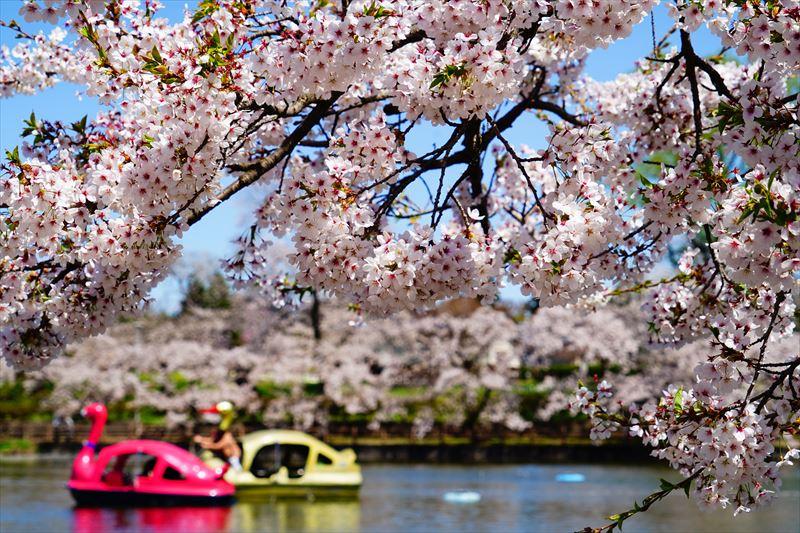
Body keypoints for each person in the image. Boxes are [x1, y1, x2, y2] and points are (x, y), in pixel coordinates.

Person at [193, 401, 243, 472]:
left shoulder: (227, 435)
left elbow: (219, 445)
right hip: (228, 458)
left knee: (236, 473)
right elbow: (212, 440)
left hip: (233, 459)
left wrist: (207, 445)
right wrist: (201, 439)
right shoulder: (222, 434)